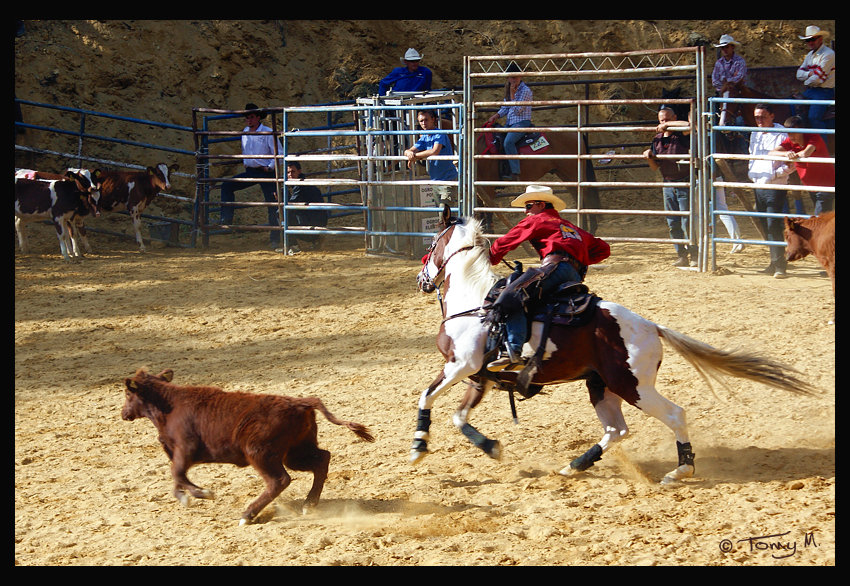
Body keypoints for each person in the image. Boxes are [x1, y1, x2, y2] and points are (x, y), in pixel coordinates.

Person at [486, 185, 610, 372]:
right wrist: (579, 258)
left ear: (540, 205)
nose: (525, 211)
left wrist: (490, 257)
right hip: (574, 275)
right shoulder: (570, 227)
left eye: (528, 206)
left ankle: (512, 349)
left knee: (515, 293)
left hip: (555, 268)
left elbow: (507, 241)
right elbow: (603, 249)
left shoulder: (538, 220)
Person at [219, 103, 283, 248]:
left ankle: (275, 238)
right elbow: (245, 150)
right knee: (227, 185)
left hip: (266, 172)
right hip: (251, 171)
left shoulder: (267, 132)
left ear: (258, 117)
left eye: (252, 117)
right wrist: (246, 162)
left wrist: (270, 167)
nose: (249, 120)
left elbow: (280, 152)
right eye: (247, 117)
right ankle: (226, 218)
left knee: (273, 203)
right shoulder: (245, 133)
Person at [643, 106, 698, 267]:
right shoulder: (657, 139)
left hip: (684, 181)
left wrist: (668, 126)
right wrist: (649, 157)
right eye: (662, 121)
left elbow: (692, 125)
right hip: (667, 183)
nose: (664, 123)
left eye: (668, 120)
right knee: (672, 222)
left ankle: (694, 253)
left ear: (674, 118)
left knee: (687, 221)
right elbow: (655, 167)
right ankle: (681, 254)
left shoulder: (682, 134)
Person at [748, 104, 793, 279]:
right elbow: (752, 153)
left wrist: (777, 174)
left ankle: (780, 264)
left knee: (773, 223)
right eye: (757, 117)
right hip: (758, 182)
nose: (759, 120)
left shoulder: (782, 133)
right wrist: (752, 172)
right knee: (764, 222)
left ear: (772, 116)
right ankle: (775, 261)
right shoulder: (755, 133)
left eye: (763, 116)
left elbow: (792, 160)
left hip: (775, 184)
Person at [771, 115, 835, 216]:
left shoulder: (813, 137)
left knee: (819, 218)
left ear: (801, 130)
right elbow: (771, 153)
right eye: (789, 133)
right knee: (823, 218)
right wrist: (786, 153)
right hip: (812, 186)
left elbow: (806, 153)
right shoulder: (790, 141)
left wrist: (794, 154)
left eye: (794, 133)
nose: (791, 136)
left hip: (826, 185)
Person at [486, 63, 533, 180]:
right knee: (498, 139)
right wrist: (496, 116)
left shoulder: (525, 91)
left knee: (508, 142)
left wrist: (512, 95)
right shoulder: (509, 89)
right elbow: (506, 107)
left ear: (520, 77)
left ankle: (515, 171)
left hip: (522, 122)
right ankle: (502, 169)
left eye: (515, 77)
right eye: (511, 77)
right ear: (508, 78)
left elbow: (518, 110)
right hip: (510, 123)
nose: (513, 80)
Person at [404, 109, 459, 205]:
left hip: (448, 180)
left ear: (433, 119)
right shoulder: (425, 137)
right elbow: (409, 150)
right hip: (435, 180)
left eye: (426, 120)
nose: (423, 123)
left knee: (445, 213)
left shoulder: (439, 134)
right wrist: (409, 153)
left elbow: (434, 151)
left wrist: (414, 156)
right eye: (421, 121)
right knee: (442, 214)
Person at [280, 161, 329, 255]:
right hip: (316, 221)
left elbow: (291, 204)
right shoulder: (300, 183)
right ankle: (316, 238)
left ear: (299, 171)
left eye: (293, 172)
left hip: (312, 223)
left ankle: (293, 246)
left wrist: (281, 199)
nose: (290, 175)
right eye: (288, 173)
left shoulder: (300, 185)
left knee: (282, 213)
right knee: (286, 211)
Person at [795, 25, 835, 136]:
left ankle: (824, 150)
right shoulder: (809, 55)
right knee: (794, 108)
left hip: (824, 92)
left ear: (820, 39)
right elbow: (798, 73)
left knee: (814, 117)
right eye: (808, 40)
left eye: (813, 39)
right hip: (811, 91)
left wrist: (805, 80)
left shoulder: (829, 54)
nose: (810, 42)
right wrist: (810, 74)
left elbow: (818, 79)